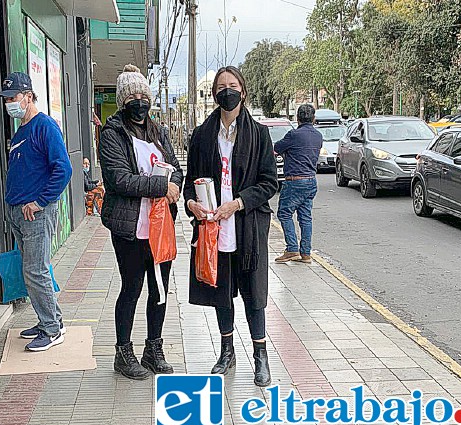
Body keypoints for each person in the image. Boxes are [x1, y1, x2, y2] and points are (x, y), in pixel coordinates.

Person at [184, 66, 278, 387]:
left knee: (254, 293)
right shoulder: (200, 135)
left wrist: (237, 203)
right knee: (221, 291)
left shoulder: (259, 135)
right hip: (212, 229)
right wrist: (191, 204)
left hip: (247, 226)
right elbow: (187, 185)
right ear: (214, 94)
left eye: (233, 85)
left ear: (244, 91)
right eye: (222, 86)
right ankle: (227, 351)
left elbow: (269, 183)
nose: (228, 91)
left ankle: (260, 356)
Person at [99, 65, 183, 380]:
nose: (138, 100)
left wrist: (173, 180)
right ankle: (123, 352)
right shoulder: (112, 134)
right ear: (123, 101)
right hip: (130, 228)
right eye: (132, 95)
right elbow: (120, 179)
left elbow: (175, 166)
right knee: (132, 288)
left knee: (159, 290)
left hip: (160, 225)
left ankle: (153, 348)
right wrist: (162, 186)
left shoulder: (158, 131)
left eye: (142, 94)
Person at [0, 72, 72, 351]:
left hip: (35, 214)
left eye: (13, 98)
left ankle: (52, 330)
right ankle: (48, 321)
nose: (9, 104)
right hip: (18, 212)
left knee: (35, 271)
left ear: (28, 96)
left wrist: (40, 202)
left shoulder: (45, 127)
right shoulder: (21, 130)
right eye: (6, 99)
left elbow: (63, 169)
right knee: (32, 271)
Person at [274, 104, 323, 264]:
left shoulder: (294, 134)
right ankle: (306, 253)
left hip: (294, 181)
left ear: (297, 118)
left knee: (284, 213)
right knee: (305, 217)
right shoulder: (318, 136)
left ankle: (292, 249)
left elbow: (277, 147)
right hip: (311, 180)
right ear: (313, 119)